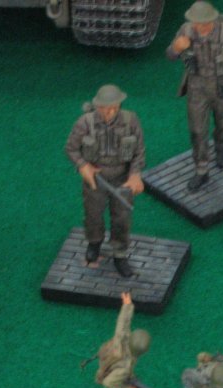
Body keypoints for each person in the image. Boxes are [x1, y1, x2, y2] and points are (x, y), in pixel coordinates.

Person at [166, 1, 223, 192]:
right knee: (197, 130)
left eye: (204, 23)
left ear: (213, 19)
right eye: (196, 23)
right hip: (197, 87)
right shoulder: (186, 30)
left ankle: (221, 146)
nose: (200, 27)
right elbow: (170, 55)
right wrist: (176, 48)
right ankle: (201, 169)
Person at [65, 84, 145, 277]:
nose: (109, 112)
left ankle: (120, 252)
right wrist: (83, 165)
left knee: (122, 217)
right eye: (104, 108)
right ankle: (94, 242)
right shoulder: (85, 123)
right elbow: (71, 148)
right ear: (97, 106)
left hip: (122, 177)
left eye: (114, 108)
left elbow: (139, 151)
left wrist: (135, 174)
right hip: (96, 178)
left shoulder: (131, 120)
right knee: (93, 214)